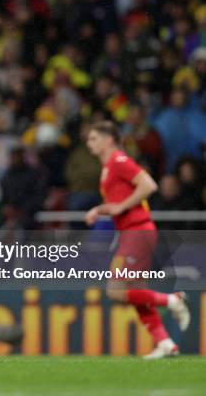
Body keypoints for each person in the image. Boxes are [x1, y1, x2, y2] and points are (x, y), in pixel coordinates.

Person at [84, 121, 190, 359]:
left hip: (137, 231)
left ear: (108, 139)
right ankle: (165, 343)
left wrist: (120, 206)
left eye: (93, 138)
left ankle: (172, 300)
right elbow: (121, 200)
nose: (89, 143)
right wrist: (99, 210)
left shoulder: (119, 162)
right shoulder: (108, 168)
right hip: (132, 232)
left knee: (115, 290)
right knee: (136, 290)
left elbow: (148, 185)